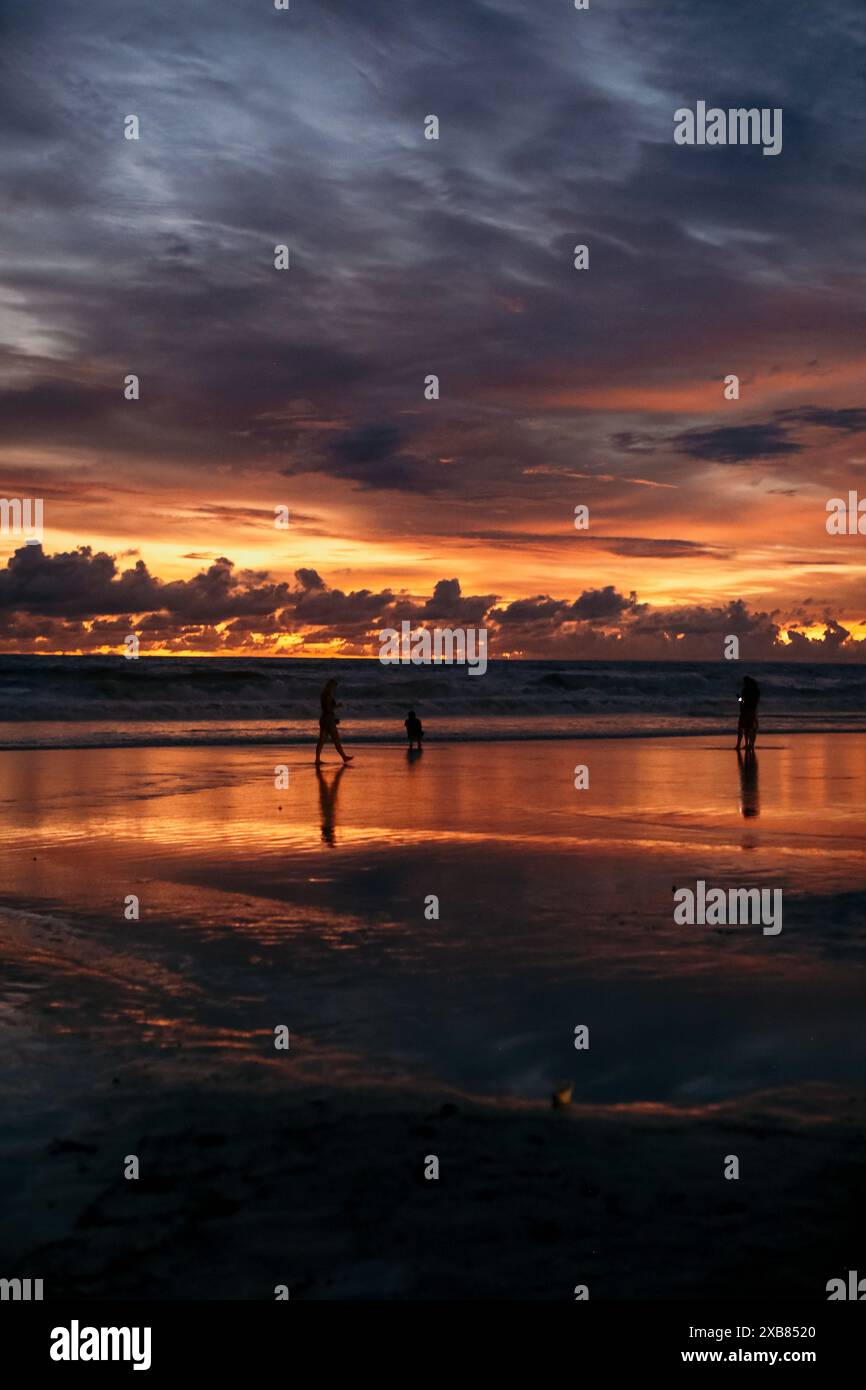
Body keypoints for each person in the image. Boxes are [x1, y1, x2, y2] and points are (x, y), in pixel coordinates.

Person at [315, 678, 353, 766]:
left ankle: (317, 759)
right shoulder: (328, 695)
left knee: (321, 741)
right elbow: (329, 709)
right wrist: (337, 706)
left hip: (324, 718)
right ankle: (344, 757)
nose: (334, 689)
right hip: (328, 719)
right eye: (334, 687)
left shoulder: (324, 694)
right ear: (331, 686)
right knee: (336, 739)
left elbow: (326, 709)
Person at [736, 676, 760, 753]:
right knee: (749, 728)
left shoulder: (746, 690)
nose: (744, 683)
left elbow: (742, 700)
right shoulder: (755, 691)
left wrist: (739, 699)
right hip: (750, 711)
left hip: (747, 711)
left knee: (745, 728)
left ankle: (745, 745)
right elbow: (755, 702)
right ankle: (749, 745)